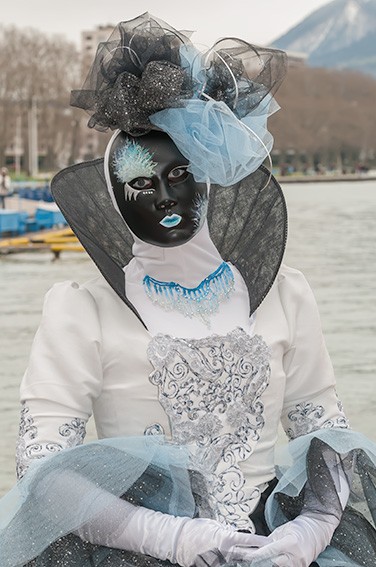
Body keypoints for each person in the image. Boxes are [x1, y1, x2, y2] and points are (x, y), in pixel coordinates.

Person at [1, 13, 376, 567]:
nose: (164, 199)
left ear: (207, 175)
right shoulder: (81, 310)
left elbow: (325, 434)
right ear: (114, 195)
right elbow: (42, 469)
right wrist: (168, 537)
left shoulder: (285, 295)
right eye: (140, 183)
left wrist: (312, 532)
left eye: (179, 176)